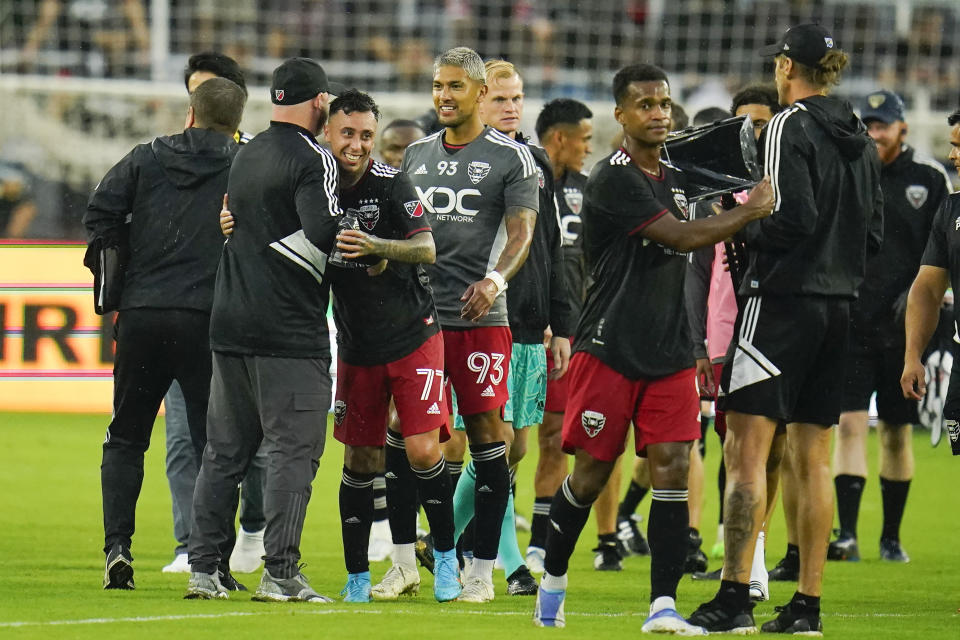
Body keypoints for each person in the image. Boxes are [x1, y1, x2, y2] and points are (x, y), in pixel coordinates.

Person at [532, 63, 775, 632]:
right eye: (645, 104)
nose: (659, 113)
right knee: (591, 475)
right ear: (620, 114)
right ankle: (555, 576)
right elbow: (682, 237)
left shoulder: (680, 172)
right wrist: (749, 210)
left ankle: (662, 605)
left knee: (671, 466)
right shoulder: (614, 178)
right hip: (610, 347)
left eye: (664, 103)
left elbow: (714, 213)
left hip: (667, 355)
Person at [688, 24, 883, 634]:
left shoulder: (785, 126)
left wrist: (738, 224)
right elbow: (873, 235)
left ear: (784, 66)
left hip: (778, 304)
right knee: (813, 459)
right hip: (839, 307)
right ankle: (807, 606)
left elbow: (788, 217)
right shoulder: (863, 140)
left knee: (747, 456)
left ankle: (734, 598)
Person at [184, 57, 343, 602]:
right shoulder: (313, 156)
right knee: (293, 450)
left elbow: (235, 220)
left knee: (223, 453)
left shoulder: (247, 151)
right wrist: (371, 242)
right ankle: (280, 571)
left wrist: (259, 236)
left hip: (229, 320)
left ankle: (203, 569)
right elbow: (324, 234)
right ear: (320, 102)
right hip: (287, 329)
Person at [82, 77, 246, 590]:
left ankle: (118, 548)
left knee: (126, 435)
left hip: (143, 315)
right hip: (208, 319)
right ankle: (213, 561)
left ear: (190, 113)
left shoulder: (145, 157)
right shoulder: (243, 165)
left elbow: (99, 216)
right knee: (214, 446)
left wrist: (121, 273)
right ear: (238, 122)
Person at [401, 46, 539, 603]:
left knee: (490, 438)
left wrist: (494, 282)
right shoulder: (413, 156)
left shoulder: (513, 159)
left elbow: (522, 234)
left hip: (481, 320)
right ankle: (409, 560)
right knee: (409, 438)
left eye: (456, 86)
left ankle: (482, 567)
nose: (444, 96)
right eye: (438, 86)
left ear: (481, 94)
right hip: (417, 323)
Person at [320, 90, 461, 604]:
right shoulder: (314, 186)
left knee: (423, 449)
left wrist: (379, 247)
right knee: (361, 457)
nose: (357, 145)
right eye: (347, 134)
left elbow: (427, 247)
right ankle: (358, 575)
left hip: (413, 333)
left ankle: (446, 562)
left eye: (365, 135)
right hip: (357, 343)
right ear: (328, 133)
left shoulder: (391, 182)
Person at [437, 59, 571, 597]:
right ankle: (492, 558)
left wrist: (560, 322)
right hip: (479, 320)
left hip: (529, 321)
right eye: (500, 98)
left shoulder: (533, 160)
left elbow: (551, 245)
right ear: (476, 99)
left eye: (518, 98)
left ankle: (445, 540)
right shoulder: (455, 158)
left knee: (512, 449)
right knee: (478, 442)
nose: (512, 107)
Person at [830, 89, 952, 563]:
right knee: (849, 426)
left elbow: (945, 247)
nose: (875, 133)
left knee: (898, 433)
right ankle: (847, 535)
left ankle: (892, 538)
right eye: (869, 124)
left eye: (883, 124)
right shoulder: (845, 172)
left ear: (902, 127)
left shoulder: (928, 179)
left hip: (906, 330)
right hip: (851, 320)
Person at [162, 50, 266, 577]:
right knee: (183, 437)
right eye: (194, 93)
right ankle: (189, 544)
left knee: (254, 440)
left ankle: (253, 529)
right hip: (188, 315)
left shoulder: (258, 159)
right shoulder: (165, 157)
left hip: (244, 315)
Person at [685, 86, 784, 603]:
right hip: (725, 338)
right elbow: (699, 272)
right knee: (734, 447)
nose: (753, 132)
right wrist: (699, 344)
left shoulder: (789, 187)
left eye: (762, 122)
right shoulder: (715, 195)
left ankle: (755, 557)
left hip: (777, 331)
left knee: (770, 449)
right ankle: (741, 557)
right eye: (743, 124)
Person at [525, 98, 594, 573]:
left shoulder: (592, 193)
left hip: (573, 333)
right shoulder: (523, 179)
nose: (589, 148)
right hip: (522, 326)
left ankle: (538, 540)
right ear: (560, 139)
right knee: (503, 439)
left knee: (555, 437)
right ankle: (480, 529)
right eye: (585, 138)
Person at [901, 106, 960, 455]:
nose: (952, 155)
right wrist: (913, 356)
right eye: (952, 145)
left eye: (959, 145)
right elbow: (926, 288)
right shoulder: (951, 210)